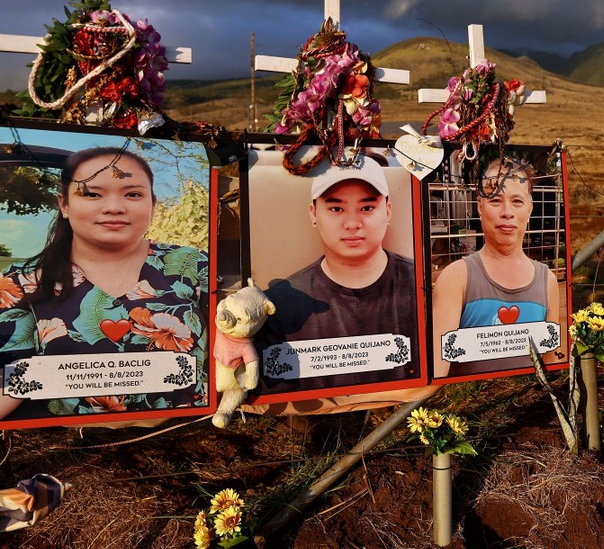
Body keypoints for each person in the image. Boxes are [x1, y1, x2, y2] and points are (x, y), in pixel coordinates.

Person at [0, 147, 208, 420]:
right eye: (92, 194)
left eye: (133, 194)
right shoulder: (20, 282)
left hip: (196, 440)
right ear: (64, 204)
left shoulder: (194, 266)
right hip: (74, 451)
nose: (114, 207)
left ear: (153, 205)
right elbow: (8, 381)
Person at [256, 156, 418, 391]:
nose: (352, 223)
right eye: (336, 208)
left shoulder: (421, 286)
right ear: (313, 213)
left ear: (388, 211)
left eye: (367, 208)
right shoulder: (279, 304)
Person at [432, 158, 560, 377]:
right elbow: (438, 369)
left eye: (517, 201)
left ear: (530, 208)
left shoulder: (547, 280)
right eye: (495, 201)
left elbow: (551, 360)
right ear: (480, 207)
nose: (507, 212)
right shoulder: (456, 277)